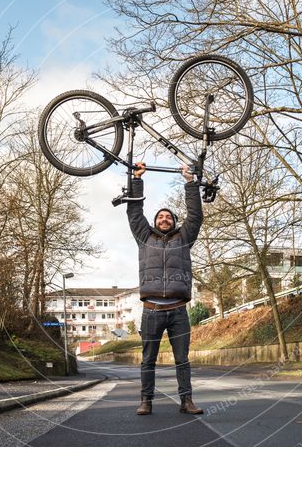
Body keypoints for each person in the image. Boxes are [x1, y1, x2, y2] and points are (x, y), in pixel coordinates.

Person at [127, 161, 204, 415]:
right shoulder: (143, 238)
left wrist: (190, 182)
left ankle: (186, 401)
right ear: (154, 221)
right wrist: (137, 179)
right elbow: (134, 213)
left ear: (173, 222)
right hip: (151, 311)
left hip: (179, 311)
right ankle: (146, 401)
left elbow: (196, 216)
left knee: (183, 359)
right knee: (148, 360)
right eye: (160, 216)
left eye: (168, 216)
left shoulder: (184, 238)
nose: (164, 219)